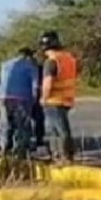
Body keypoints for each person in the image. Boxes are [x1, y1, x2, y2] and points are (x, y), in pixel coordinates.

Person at [39, 31, 77, 164]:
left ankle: (65, 156)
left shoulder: (51, 61)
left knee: (58, 130)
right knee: (59, 129)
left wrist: (43, 98)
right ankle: (59, 156)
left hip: (53, 100)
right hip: (67, 99)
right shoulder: (69, 58)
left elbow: (47, 83)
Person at [0, 46, 40, 161]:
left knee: (5, 125)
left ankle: (3, 150)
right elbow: (35, 86)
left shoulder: (5, 64)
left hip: (3, 98)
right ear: (28, 56)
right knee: (22, 127)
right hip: (22, 99)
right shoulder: (31, 66)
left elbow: (1, 81)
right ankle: (20, 153)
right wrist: (34, 101)